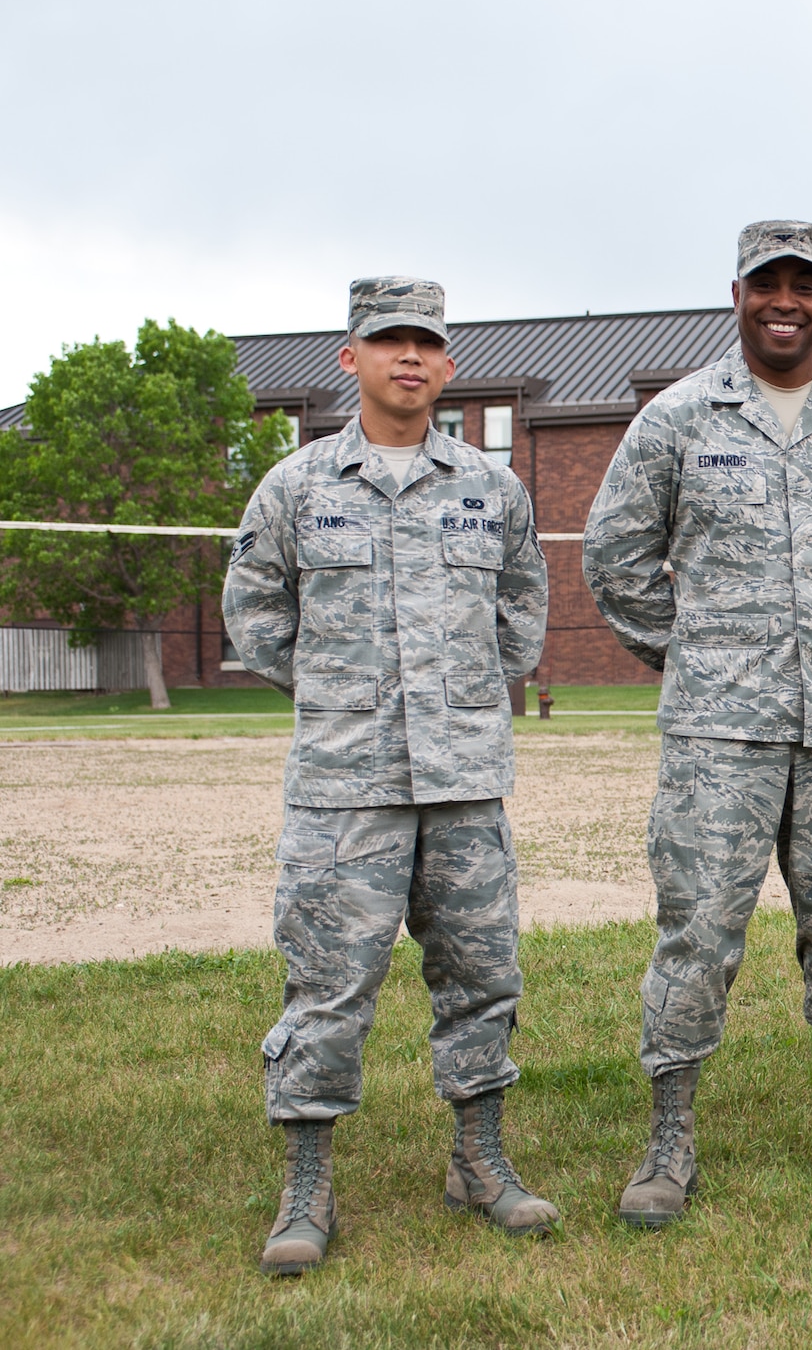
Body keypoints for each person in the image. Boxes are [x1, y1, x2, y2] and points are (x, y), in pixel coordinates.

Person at [583, 220, 812, 1227]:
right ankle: (669, 1141)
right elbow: (612, 556)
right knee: (697, 933)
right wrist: (695, 653)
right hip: (717, 736)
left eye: (803, 284)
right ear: (736, 292)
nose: (785, 300)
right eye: (766, 283)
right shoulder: (678, 419)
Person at [223, 277, 554, 1275]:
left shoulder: (492, 490)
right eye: (386, 340)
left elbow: (523, 616)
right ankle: (307, 1185)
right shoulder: (296, 486)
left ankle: (480, 1159)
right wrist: (339, 692)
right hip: (345, 785)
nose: (407, 357)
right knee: (328, 984)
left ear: (447, 365)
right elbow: (254, 612)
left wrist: (457, 699)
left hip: (463, 782)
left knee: (482, 975)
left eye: (424, 342)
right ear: (350, 358)